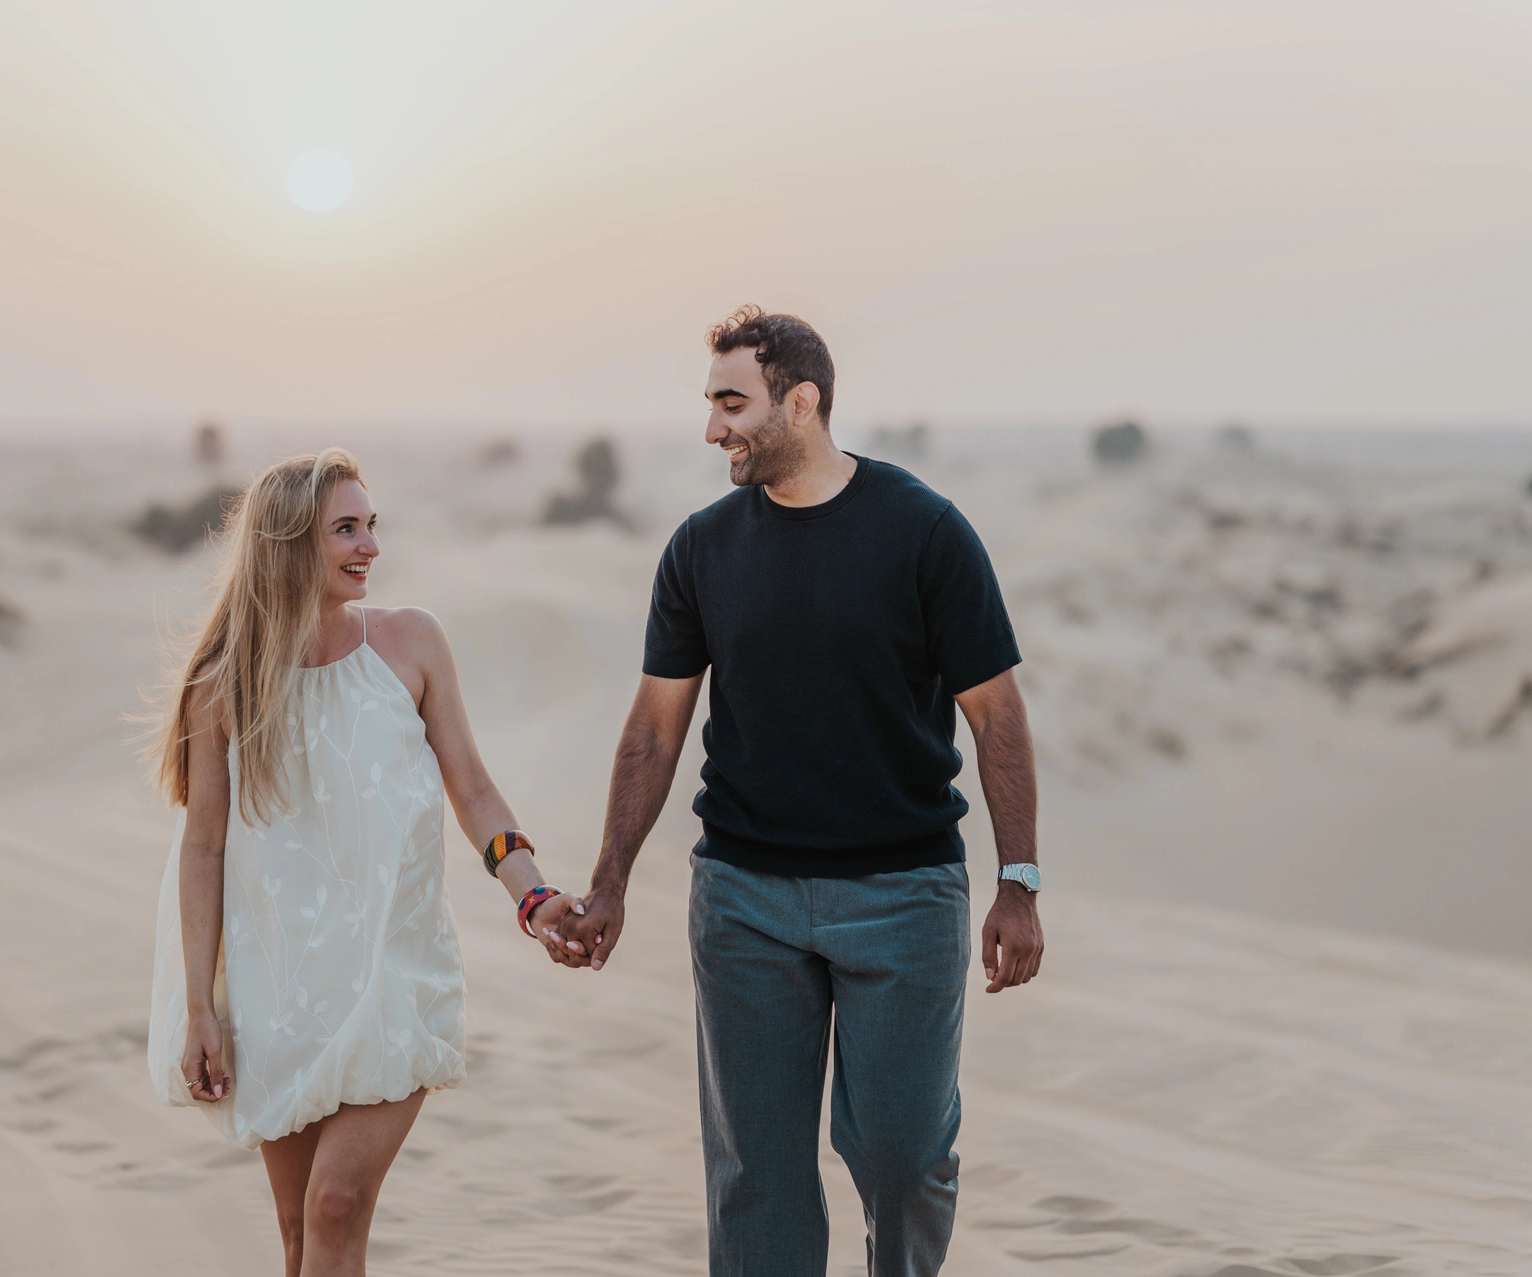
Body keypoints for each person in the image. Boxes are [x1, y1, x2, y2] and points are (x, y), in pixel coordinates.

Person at [558, 307, 1044, 1276]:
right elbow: (656, 727)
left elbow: (997, 714)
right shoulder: (700, 549)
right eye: (710, 405)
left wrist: (1018, 880)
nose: (713, 429)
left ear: (803, 401)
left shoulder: (927, 532)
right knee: (757, 1177)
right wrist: (609, 879)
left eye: (732, 403)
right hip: (743, 900)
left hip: (904, 897)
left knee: (905, 1158)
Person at [145, 450, 585, 1277]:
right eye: (346, 528)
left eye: (371, 525)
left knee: (335, 1205)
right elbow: (204, 847)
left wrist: (535, 897)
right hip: (278, 991)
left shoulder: (411, 643)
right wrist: (202, 1008)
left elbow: (476, 791)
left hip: (391, 976)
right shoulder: (225, 684)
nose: (370, 545)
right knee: (296, 1234)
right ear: (287, 543)